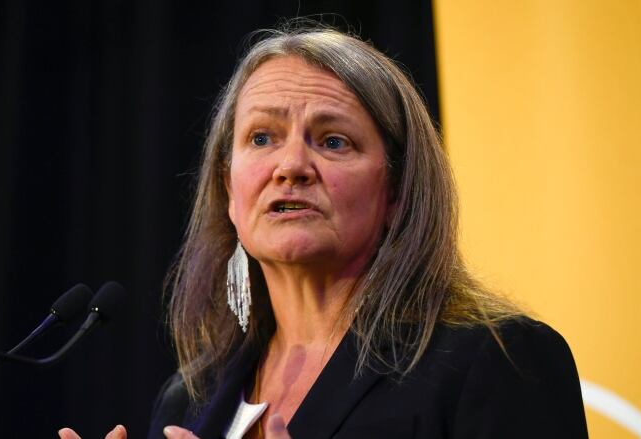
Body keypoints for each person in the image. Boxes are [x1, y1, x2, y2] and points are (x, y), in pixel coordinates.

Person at [60, 23, 588, 439]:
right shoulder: (189, 398)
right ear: (229, 192)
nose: (291, 165)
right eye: (262, 137)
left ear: (398, 191)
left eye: (333, 141)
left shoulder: (497, 361)